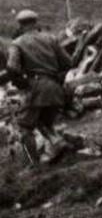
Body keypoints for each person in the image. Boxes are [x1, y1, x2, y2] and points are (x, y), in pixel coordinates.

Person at [6, 9, 71, 166]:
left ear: (20, 26)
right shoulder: (51, 39)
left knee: (23, 126)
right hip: (55, 88)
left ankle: (33, 165)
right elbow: (68, 62)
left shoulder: (17, 43)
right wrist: (56, 78)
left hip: (36, 88)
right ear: (36, 23)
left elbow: (12, 67)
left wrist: (22, 82)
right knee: (43, 122)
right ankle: (59, 143)